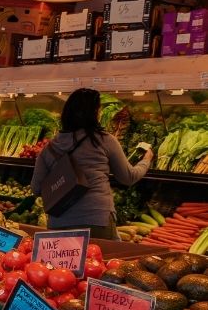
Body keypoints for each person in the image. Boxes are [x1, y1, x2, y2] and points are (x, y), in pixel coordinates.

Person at [31, 88, 154, 240]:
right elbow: (128, 177)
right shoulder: (104, 140)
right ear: (94, 113)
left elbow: (36, 188)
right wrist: (146, 160)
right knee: (100, 262)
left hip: (59, 222)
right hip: (97, 220)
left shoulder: (50, 148)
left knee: (63, 264)